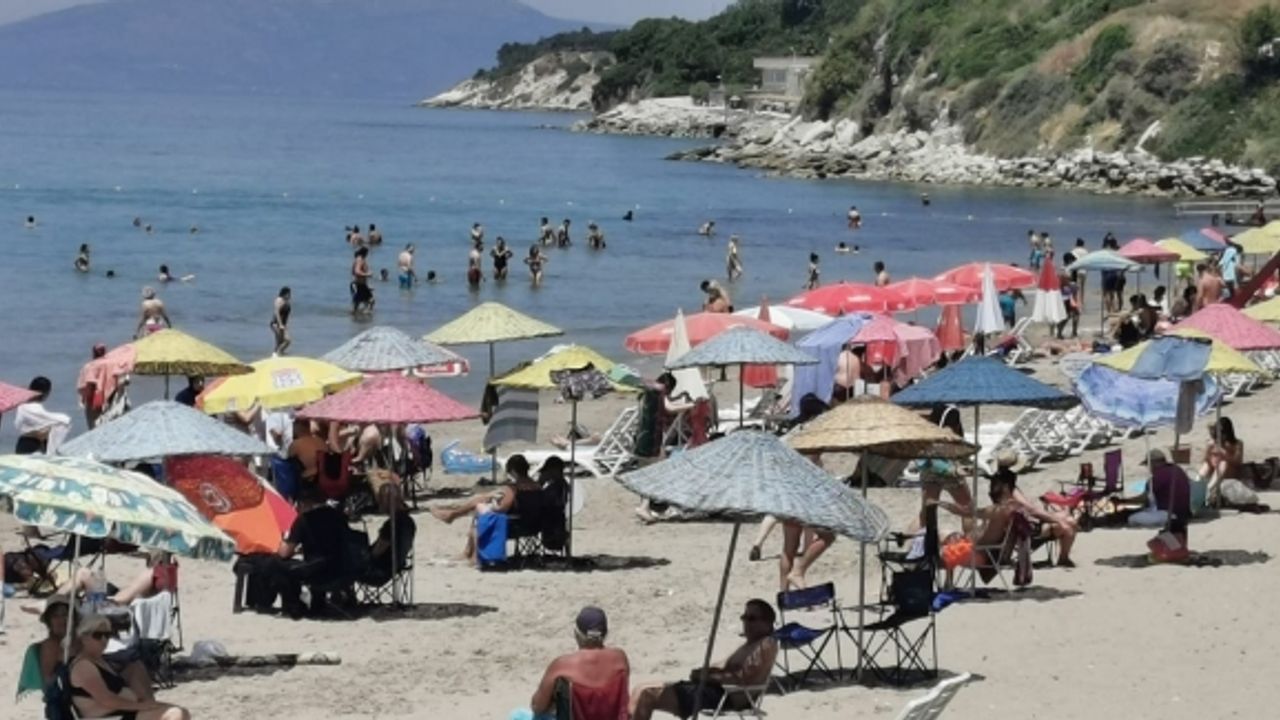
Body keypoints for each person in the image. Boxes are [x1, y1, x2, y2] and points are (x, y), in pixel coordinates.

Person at [629, 600, 778, 720]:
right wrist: (703, 672)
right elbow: (723, 666)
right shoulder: (749, 645)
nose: (746, 622)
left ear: (767, 623)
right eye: (744, 618)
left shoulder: (765, 644)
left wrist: (708, 676)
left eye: (751, 618)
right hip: (714, 691)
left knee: (647, 695)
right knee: (640, 689)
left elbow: (741, 678)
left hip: (727, 697)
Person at [512, 607, 630, 720]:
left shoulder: (562, 665)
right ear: (605, 634)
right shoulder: (620, 659)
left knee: (517, 715)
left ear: (576, 634)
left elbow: (537, 706)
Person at [429, 454, 547, 564]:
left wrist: (493, 506)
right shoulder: (538, 487)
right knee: (483, 501)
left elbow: (502, 508)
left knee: (479, 509)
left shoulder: (514, 488)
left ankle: (468, 550)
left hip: (513, 527)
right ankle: (454, 517)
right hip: (535, 527)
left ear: (513, 471)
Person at [69, 614, 190, 720]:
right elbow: (107, 700)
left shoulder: (100, 661)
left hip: (121, 712)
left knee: (180, 711)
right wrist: (141, 706)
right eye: (98, 635)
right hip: (108, 716)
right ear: (84, 637)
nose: (104, 640)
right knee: (175, 714)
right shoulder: (83, 666)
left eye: (107, 635)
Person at [934, 468, 1020, 585]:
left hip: (980, 556)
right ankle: (947, 582)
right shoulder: (1011, 507)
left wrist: (938, 503)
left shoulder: (999, 510)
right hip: (981, 550)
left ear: (1005, 487)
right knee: (945, 535)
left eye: (994, 483)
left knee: (940, 547)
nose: (991, 486)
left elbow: (966, 513)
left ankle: (943, 581)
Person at [277, 484, 349, 617]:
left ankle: (294, 607)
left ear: (303, 503)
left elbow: (285, 553)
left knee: (280, 566)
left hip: (317, 570)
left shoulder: (304, 519)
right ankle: (319, 602)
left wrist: (282, 540)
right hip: (343, 568)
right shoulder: (338, 516)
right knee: (314, 563)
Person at [14, 376, 71, 454]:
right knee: (64, 421)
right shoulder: (31, 408)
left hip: (25, 443)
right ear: (46, 393)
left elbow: (18, 425)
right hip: (33, 445)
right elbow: (63, 421)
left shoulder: (22, 406)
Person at [1199, 417, 1244, 507]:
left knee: (1223, 463)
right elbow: (1204, 460)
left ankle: (1208, 489)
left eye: (1222, 433)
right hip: (1214, 471)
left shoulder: (1237, 443)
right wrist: (1208, 450)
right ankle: (1197, 484)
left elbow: (1238, 461)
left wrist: (1223, 452)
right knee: (1206, 465)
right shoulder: (1213, 443)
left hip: (1229, 472)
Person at [286, 418, 327, 484]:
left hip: (309, 479)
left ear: (297, 427)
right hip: (325, 476)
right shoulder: (320, 440)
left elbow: (288, 462)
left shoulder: (296, 444)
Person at [351, 247, 374, 314]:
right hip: (360, 284)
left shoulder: (358, 259)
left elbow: (353, 272)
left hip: (359, 284)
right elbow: (357, 271)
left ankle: (355, 314)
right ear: (365, 253)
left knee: (357, 302)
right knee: (371, 300)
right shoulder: (360, 260)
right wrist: (367, 274)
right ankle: (366, 314)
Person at [271, 287, 292, 355]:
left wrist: (285, 325)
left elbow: (285, 315)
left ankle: (279, 353)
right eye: (289, 294)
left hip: (282, 324)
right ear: (284, 293)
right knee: (285, 340)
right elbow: (277, 312)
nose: (290, 295)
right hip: (276, 324)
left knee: (283, 341)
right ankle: (277, 353)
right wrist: (280, 324)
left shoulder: (286, 301)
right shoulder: (279, 300)